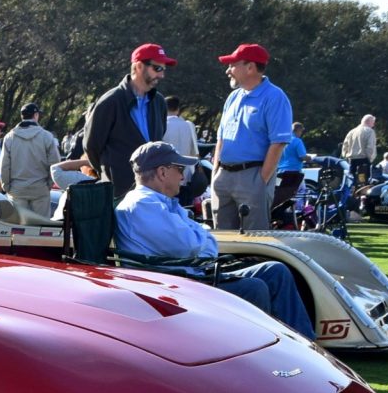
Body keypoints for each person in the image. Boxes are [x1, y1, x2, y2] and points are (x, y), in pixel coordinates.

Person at [115, 142, 314, 338]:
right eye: (179, 168)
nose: (183, 176)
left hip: (187, 274)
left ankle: (304, 344)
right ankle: (260, 354)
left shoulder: (159, 202)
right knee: (254, 288)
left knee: (275, 271)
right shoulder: (144, 205)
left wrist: (203, 239)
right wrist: (204, 239)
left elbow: (202, 242)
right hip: (173, 284)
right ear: (162, 172)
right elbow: (192, 247)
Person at [211, 43, 293, 230]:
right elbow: (221, 139)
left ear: (250, 67)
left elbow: (278, 143)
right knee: (223, 240)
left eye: (232, 65)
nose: (228, 71)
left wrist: (260, 181)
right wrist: (216, 175)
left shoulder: (275, 97)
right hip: (224, 177)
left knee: (254, 239)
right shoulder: (233, 97)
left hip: (252, 175)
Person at [84, 42, 174, 197]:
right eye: (157, 68)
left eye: (163, 70)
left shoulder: (159, 102)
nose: (161, 75)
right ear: (139, 66)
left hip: (153, 191)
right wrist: (112, 174)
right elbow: (92, 146)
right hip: (120, 192)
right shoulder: (110, 101)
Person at [0, 102, 60, 215]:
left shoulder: (9, 137)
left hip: (17, 190)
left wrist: (7, 187)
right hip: (40, 189)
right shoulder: (46, 136)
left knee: (19, 228)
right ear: (36, 115)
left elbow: (4, 165)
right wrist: (49, 184)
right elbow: (55, 163)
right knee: (41, 228)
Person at [273, 122, 309, 213]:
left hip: (280, 172)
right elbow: (302, 156)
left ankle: (282, 210)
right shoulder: (297, 141)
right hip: (294, 173)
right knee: (301, 192)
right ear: (298, 130)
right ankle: (299, 211)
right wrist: (311, 158)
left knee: (282, 193)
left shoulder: (283, 141)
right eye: (301, 131)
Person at [340, 114, 377, 184]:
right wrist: (370, 159)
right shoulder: (370, 131)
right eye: (373, 123)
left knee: (353, 182)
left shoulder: (351, 132)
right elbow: (370, 147)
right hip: (363, 161)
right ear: (369, 122)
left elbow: (345, 146)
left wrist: (345, 156)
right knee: (363, 183)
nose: (373, 125)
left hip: (352, 161)